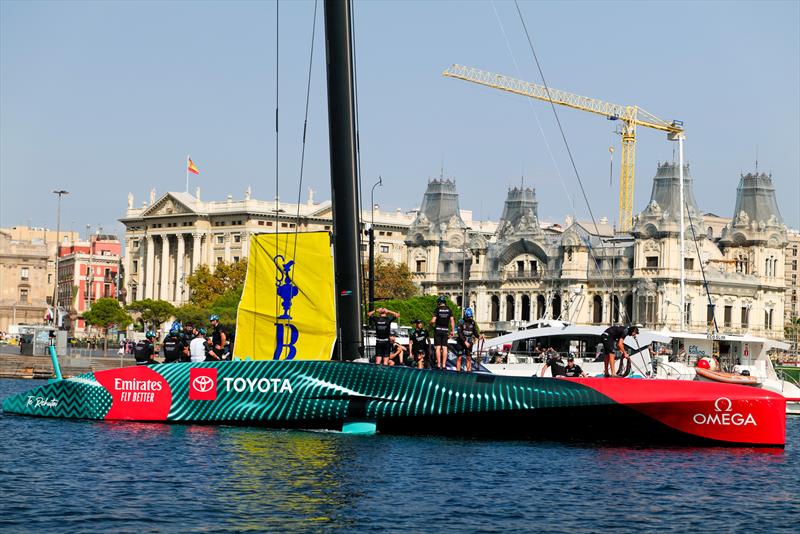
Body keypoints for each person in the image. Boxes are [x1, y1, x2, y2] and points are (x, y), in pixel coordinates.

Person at [430, 296, 455, 370]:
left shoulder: (437, 309)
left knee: (438, 347)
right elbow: (452, 321)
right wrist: (453, 331)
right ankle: (444, 365)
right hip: (445, 330)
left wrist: (430, 323)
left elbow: (433, 320)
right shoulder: (449, 310)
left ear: (439, 302)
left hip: (438, 330)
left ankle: (438, 364)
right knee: (444, 347)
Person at [456, 308, 484, 372]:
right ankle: (458, 371)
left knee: (469, 358)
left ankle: (469, 371)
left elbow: (474, 331)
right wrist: (464, 341)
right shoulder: (461, 322)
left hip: (469, 341)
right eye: (468, 317)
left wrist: (479, 336)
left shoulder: (472, 322)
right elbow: (459, 333)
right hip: (461, 342)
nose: (469, 318)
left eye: (470, 317)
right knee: (459, 357)